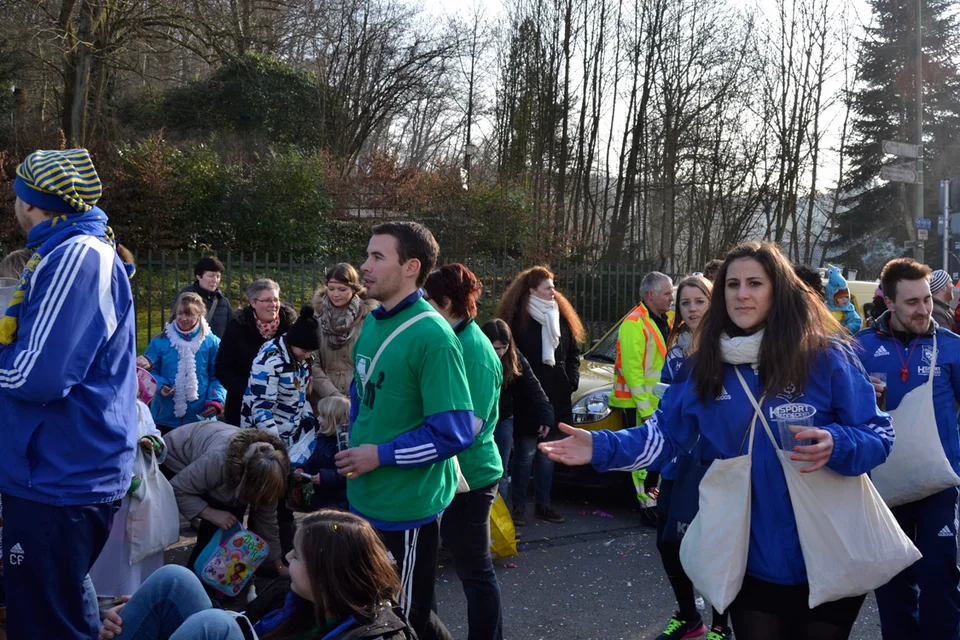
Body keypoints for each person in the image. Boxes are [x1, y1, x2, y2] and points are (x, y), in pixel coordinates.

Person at [541, 241, 893, 640]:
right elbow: (664, 437)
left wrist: (837, 443)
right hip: (751, 557)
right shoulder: (704, 366)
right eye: (732, 284)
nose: (742, 294)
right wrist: (600, 446)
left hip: (832, 547)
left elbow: (879, 435)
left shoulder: (826, 357)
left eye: (755, 283)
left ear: (778, 291)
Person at [0, 149, 138, 640]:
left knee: (45, 626)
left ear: (29, 201)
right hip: (55, 469)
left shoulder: (76, 256)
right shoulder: (66, 251)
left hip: (59, 476)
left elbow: (39, 376)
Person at [334, 221, 475, 640]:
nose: (365, 266)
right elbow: (363, 395)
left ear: (411, 267)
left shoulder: (434, 336)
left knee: (403, 621)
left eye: (377, 257)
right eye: (367, 255)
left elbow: (453, 433)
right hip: (364, 496)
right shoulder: (373, 321)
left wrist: (379, 455)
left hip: (406, 510)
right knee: (367, 612)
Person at [97, 510, 414, 640]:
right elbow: (246, 625)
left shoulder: (375, 637)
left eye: (297, 555)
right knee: (174, 581)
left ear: (325, 575)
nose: (286, 557)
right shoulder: (293, 592)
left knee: (215, 625)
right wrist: (149, 611)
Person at [856, 258, 960, 639]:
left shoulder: (950, 346)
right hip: (882, 489)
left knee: (940, 580)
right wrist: (859, 395)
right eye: (912, 302)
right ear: (889, 302)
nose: (924, 309)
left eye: (927, 299)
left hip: (938, 485)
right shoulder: (860, 347)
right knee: (893, 585)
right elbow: (838, 412)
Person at [423, 263, 505, 640]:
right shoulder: (451, 337)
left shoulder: (476, 351)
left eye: (427, 298)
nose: (421, 304)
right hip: (447, 474)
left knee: (475, 572)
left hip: (471, 479)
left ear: (446, 303)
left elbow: (468, 429)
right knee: (424, 569)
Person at [649, 275, 732, 640]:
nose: (693, 309)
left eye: (700, 301)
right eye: (685, 303)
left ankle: (721, 626)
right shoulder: (675, 353)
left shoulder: (730, 349)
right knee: (667, 542)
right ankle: (688, 617)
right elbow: (667, 411)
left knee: (715, 546)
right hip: (677, 461)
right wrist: (654, 464)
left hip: (715, 463)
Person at [496, 266, 584, 525]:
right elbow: (511, 361)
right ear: (532, 291)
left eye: (553, 287)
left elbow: (573, 353)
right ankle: (518, 507)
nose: (553, 293)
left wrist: (571, 381)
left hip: (557, 397)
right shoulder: (517, 321)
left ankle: (544, 504)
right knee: (525, 455)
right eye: (548, 288)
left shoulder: (561, 317)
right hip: (528, 400)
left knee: (548, 456)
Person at [161, 420, 289, 579]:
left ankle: (222, 578)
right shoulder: (218, 460)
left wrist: (278, 565)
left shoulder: (272, 474)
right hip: (175, 454)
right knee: (219, 522)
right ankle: (197, 579)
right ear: (247, 479)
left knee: (231, 521)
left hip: (217, 463)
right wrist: (210, 513)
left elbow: (267, 520)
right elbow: (177, 488)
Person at [242, 305, 321, 557]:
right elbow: (261, 409)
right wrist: (278, 449)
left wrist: (309, 423)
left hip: (290, 435)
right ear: (293, 343)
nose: (308, 355)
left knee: (283, 499)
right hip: (267, 440)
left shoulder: (303, 357)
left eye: (311, 351)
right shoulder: (269, 360)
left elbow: (301, 396)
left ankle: (284, 549)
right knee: (265, 499)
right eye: (305, 350)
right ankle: (264, 555)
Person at [608, 271, 674, 518]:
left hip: (657, 400)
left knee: (657, 451)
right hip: (638, 402)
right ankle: (646, 505)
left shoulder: (665, 319)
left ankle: (654, 499)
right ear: (650, 295)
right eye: (667, 293)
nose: (671, 298)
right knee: (643, 453)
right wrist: (645, 409)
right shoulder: (634, 323)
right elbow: (632, 371)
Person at [89, 398, 168, 598]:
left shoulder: (141, 408)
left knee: (139, 541)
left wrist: (154, 443)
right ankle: (106, 594)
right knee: (113, 544)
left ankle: (136, 591)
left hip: (142, 489)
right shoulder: (100, 406)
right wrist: (125, 478)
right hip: (111, 491)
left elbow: (154, 433)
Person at [481, 319, 555, 500]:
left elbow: (534, 387)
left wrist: (546, 415)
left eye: (503, 347)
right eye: (495, 348)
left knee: (501, 470)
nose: (500, 353)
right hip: (478, 419)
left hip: (503, 419)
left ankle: (500, 514)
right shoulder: (476, 356)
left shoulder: (514, 357)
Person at [139, 292, 226, 433]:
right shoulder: (160, 341)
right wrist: (160, 386)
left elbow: (218, 376)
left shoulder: (212, 342)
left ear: (199, 315)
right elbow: (149, 372)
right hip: (165, 417)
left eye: (190, 314)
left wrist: (215, 401)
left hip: (200, 419)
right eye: (180, 313)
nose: (184, 319)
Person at [216, 279, 297, 426]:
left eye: (276, 299)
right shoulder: (237, 326)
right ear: (253, 303)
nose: (273, 305)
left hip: (282, 410)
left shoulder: (290, 327)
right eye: (267, 300)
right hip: (242, 407)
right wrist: (248, 391)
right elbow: (223, 368)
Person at [309, 263, 374, 404]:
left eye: (342, 289)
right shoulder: (316, 318)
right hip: (324, 400)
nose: (335, 294)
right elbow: (312, 362)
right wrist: (333, 394)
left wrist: (356, 394)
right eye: (331, 289)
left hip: (359, 397)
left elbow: (373, 361)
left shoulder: (369, 319)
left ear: (354, 289)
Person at [291, 395, 350, 511]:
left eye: (323, 416)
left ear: (334, 420)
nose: (318, 418)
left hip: (339, 504)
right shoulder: (322, 438)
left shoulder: (345, 445)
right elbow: (314, 460)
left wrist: (325, 477)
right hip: (320, 499)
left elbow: (347, 475)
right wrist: (304, 470)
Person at [178, 256, 232, 338]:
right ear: (198, 276)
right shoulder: (185, 298)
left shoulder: (223, 302)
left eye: (218, 276)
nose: (215, 280)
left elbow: (231, 331)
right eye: (211, 276)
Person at [825, 267, 863, 334]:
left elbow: (857, 322)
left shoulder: (848, 310)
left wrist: (847, 328)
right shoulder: (825, 308)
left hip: (842, 338)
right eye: (840, 297)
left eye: (846, 297)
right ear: (832, 298)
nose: (844, 299)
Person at [929, 269, 957, 333]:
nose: (953, 286)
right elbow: (948, 337)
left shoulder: (944, 308)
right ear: (943, 288)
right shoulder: (936, 312)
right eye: (950, 282)